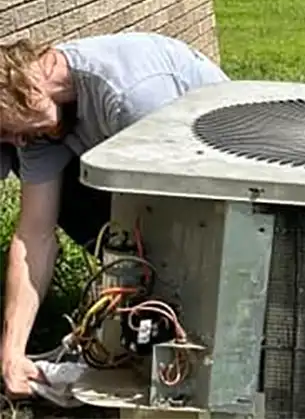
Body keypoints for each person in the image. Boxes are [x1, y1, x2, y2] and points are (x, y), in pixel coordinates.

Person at [0, 32, 229, 396]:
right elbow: (33, 235)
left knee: (180, 266)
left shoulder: (130, 95)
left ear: (24, 94)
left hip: (211, 170)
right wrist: (11, 354)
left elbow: (190, 197)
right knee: (73, 198)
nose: (14, 144)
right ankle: (136, 313)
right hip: (149, 178)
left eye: (7, 131)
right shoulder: (38, 126)